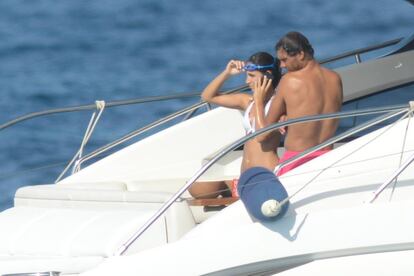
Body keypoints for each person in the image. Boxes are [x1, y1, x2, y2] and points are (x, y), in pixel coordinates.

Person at [188, 52, 282, 199]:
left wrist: (259, 101)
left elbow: (261, 136)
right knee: (197, 189)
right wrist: (227, 73)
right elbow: (207, 96)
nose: (246, 81)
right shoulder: (248, 101)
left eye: (251, 76)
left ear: (268, 75)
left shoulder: (278, 105)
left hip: (265, 176)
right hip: (246, 176)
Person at [253, 31, 343, 176]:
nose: (281, 65)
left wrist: (258, 102)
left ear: (300, 54)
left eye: (284, 60)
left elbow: (262, 135)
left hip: (297, 162)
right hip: (327, 159)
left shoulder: (289, 81)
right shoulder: (335, 78)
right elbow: (316, 108)